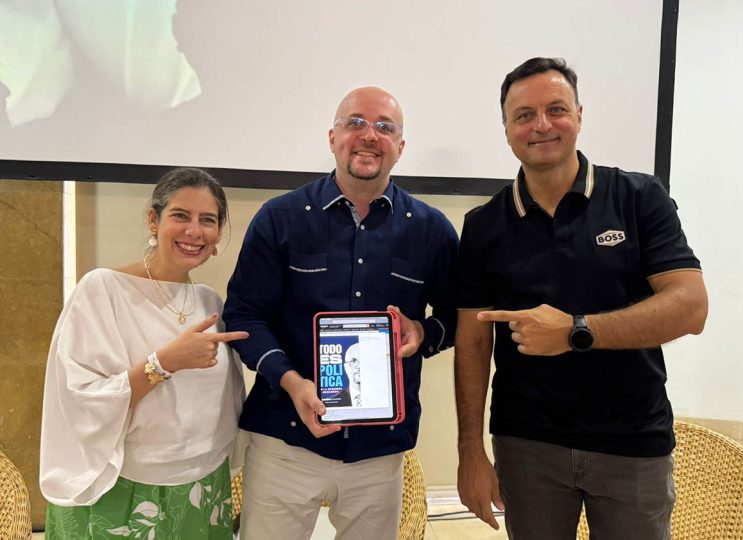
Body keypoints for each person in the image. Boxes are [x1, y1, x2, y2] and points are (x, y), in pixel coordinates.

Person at [454, 57, 708, 540]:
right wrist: (470, 453)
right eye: (524, 115)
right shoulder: (483, 225)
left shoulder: (639, 197)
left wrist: (576, 331)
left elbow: (691, 307)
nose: (541, 125)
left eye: (556, 109)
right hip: (527, 447)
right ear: (506, 129)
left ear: (579, 116)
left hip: (632, 442)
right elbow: (472, 341)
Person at [223, 86, 458, 539]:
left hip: (379, 452)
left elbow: (458, 319)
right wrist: (292, 382)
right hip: (285, 439)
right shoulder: (280, 218)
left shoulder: (432, 230)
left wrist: (423, 332)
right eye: (355, 123)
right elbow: (244, 316)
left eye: (384, 127)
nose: (369, 136)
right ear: (332, 137)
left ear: (401, 147)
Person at [40, 167, 247, 539]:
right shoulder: (104, 290)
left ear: (218, 234)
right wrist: (163, 363)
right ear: (154, 220)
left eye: (208, 220)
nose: (194, 231)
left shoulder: (210, 302)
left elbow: (223, 407)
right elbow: (78, 398)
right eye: (180, 215)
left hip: (202, 487)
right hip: (122, 486)